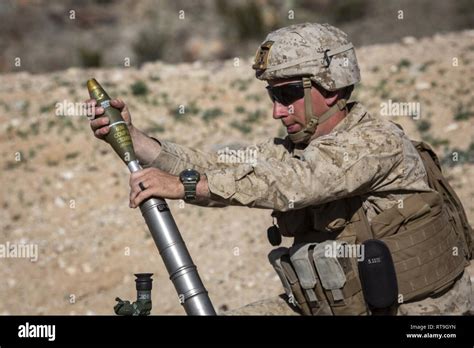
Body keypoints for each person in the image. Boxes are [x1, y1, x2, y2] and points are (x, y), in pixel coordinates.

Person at [87, 22, 473, 315]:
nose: (277, 110)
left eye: (288, 95)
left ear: (331, 88)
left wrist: (186, 185)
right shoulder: (298, 148)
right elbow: (223, 165)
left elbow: (295, 182)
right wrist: (137, 140)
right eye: (273, 95)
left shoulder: (376, 142)